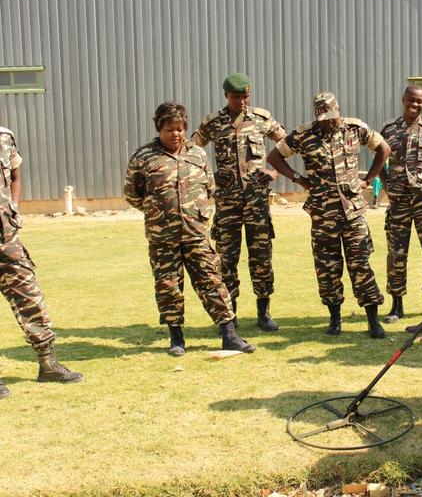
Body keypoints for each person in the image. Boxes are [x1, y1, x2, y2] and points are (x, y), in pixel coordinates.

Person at [125, 102, 255, 356]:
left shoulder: (197, 154)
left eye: (179, 129)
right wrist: (158, 213)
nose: (175, 134)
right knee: (169, 286)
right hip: (163, 238)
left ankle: (229, 335)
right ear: (159, 129)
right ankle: (177, 339)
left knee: (212, 281)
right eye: (169, 129)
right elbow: (133, 194)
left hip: (196, 233)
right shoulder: (143, 158)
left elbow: (209, 188)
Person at [266, 92, 391, 338]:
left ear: (338, 110)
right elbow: (274, 156)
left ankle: (373, 320)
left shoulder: (355, 128)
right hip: (323, 214)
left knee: (361, 265)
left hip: (353, 213)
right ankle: (335, 319)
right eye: (323, 119)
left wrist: (369, 179)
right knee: (327, 269)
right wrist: (298, 179)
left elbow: (384, 149)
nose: (328, 122)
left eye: (332, 117)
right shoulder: (303, 134)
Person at [193, 72, 286, 331]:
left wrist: (274, 172)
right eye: (236, 97)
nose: (242, 101)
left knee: (261, 258)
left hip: (257, 203)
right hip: (227, 205)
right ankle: (229, 315)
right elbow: (191, 151)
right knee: (226, 260)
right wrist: (209, 177)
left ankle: (264, 313)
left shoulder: (261, 119)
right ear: (226, 95)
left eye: (245, 96)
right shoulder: (213, 123)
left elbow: (286, 142)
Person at [0, 126, 83, 398]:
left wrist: (14, 207)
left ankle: (48, 365)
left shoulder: (5, 138)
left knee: (31, 298)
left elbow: (15, 175)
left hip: (7, 239)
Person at [378, 85, 422, 327]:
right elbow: (379, 158)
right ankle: (396, 305)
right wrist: (386, 183)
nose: (415, 104)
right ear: (403, 99)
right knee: (396, 254)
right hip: (398, 201)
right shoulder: (389, 129)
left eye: (419, 101)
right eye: (411, 99)